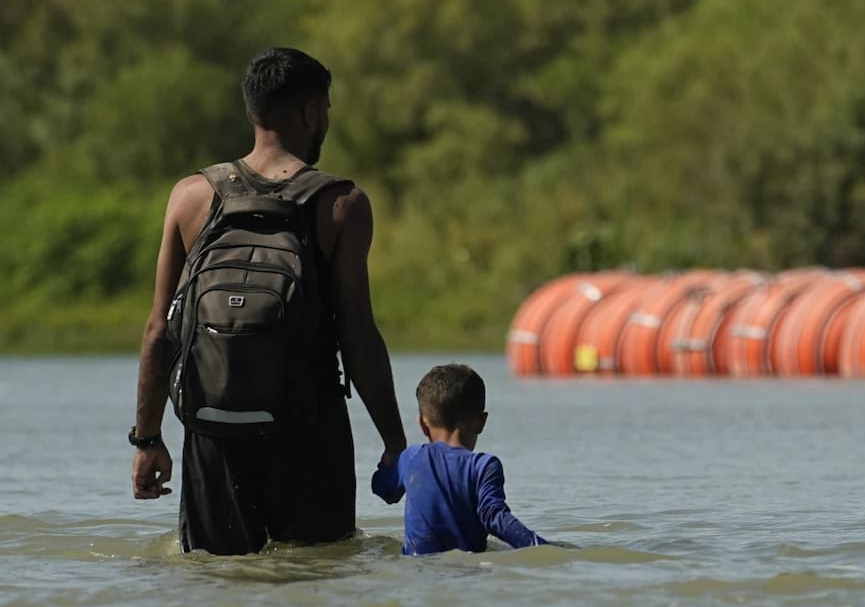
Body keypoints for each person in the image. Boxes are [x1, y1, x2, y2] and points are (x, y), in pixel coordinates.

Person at [130, 47, 407, 554]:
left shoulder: (191, 195)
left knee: (216, 578)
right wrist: (394, 442)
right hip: (309, 431)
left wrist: (148, 440)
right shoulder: (341, 204)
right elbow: (357, 333)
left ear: (251, 111)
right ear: (311, 112)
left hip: (213, 430)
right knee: (317, 569)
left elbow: (158, 330)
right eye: (325, 109)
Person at [373, 363, 558, 555]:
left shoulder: (411, 457)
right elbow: (494, 517)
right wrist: (543, 547)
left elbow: (384, 490)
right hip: (468, 572)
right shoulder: (484, 466)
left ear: (423, 424)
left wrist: (389, 459)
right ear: (481, 422)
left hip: (417, 570)